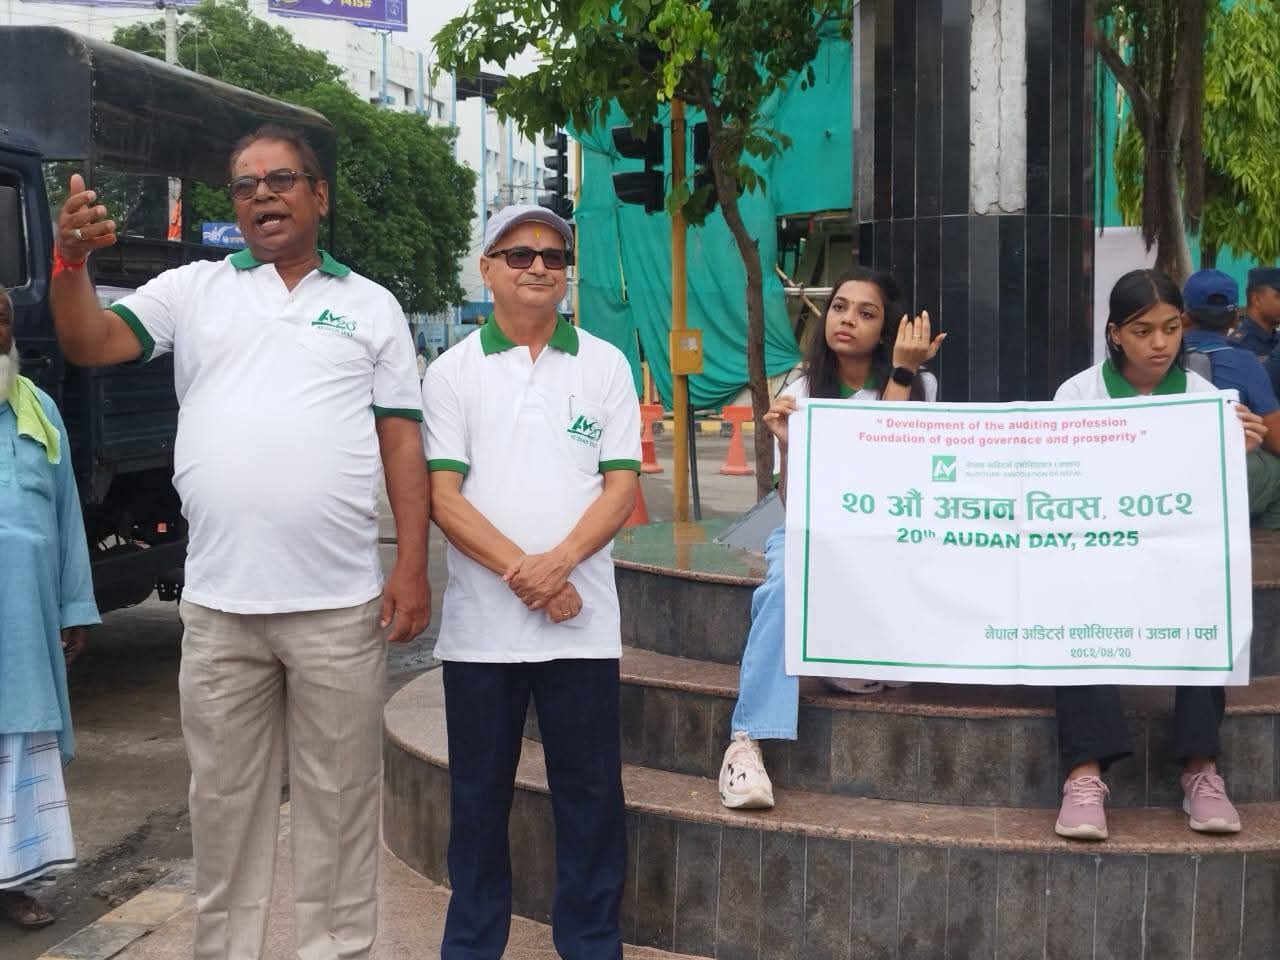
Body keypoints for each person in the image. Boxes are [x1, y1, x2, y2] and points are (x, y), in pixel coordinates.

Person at [48, 125, 430, 959]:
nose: (263, 195)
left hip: (337, 607)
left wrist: (410, 564)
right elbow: (88, 341)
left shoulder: (371, 305)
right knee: (223, 810)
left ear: (318, 195)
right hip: (220, 610)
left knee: (340, 804)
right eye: (247, 185)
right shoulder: (193, 289)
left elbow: (402, 441)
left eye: (281, 179)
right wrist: (69, 262)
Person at [422, 203, 640, 959]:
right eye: (519, 254)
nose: (539, 266)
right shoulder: (452, 373)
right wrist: (537, 577)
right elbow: (445, 500)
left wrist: (559, 566)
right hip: (482, 636)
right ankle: (472, 946)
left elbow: (620, 488)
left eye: (553, 255)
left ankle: (592, 945)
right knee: (478, 801)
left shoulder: (605, 365)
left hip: (583, 628)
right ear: (486, 269)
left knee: (591, 799)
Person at [718, 266, 944, 811]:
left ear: (886, 329)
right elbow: (792, 503)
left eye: (866, 313)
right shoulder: (801, 390)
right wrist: (788, 445)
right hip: (809, 526)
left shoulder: (921, 386)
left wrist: (903, 373)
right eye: (840, 307)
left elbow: (891, 469)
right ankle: (745, 742)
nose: (847, 320)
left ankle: (857, 661)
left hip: (884, 534)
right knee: (784, 580)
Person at [1052, 268, 1264, 841]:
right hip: (1098, 555)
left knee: (1206, 598)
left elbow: (1215, 502)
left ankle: (1201, 768)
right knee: (1074, 603)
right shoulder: (1078, 395)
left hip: (1174, 559)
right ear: (1115, 334)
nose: (1160, 343)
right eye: (1143, 331)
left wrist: (1237, 450)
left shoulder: (1204, 400)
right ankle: (1084, 773)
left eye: (1171, 328)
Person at [0, 289, 98, 929]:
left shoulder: (38, 408)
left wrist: (74, 606)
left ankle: (13, 882)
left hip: (26, 618)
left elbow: (66, 516)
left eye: (2, 319)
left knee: (20, 743)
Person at [1182, 268, 1280, 528]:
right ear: (1236, 316)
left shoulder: (1161, 357)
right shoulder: (1243, 361)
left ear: (1184, 315)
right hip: (1221, 473)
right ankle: (1262, 543)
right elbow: (1276, 440)